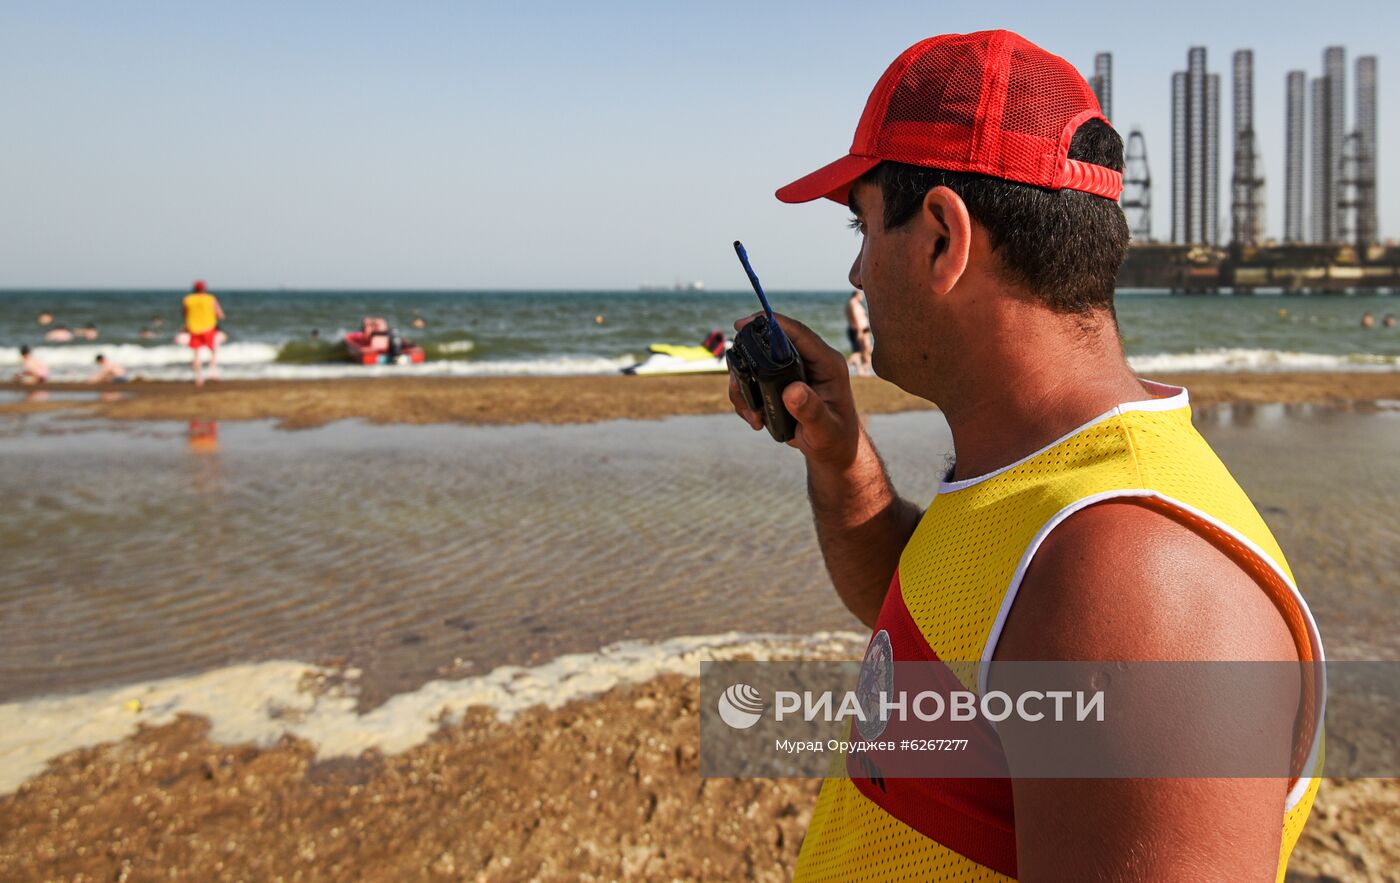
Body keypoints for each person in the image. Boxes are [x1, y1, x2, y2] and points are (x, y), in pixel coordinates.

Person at [729, 31, 1322, 881]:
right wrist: (839, 455)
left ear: (942, 235)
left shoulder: (1138, 587)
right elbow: (936, 624)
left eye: (861, 224)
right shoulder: (1029, 480)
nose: (857, 271)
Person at [182, 279, 225, 386]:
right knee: (213, 351)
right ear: (204, 289)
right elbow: (220, 315)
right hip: (209, 328)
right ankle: (213, 371)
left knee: (196, 354)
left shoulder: (188, 299)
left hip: (193, 328)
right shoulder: (211, 299)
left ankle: (198, 379)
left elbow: (185, 314)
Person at [844, 289, 873, 375]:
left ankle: (862, 370)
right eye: (861, 295)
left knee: (864, 351)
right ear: (857, 295)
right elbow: (855, 317)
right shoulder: (853, 303)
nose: (862, 297)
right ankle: (844, 366)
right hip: (859, 330)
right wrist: (859, 332)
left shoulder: (853, 303)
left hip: (862, 330)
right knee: (860, 351)